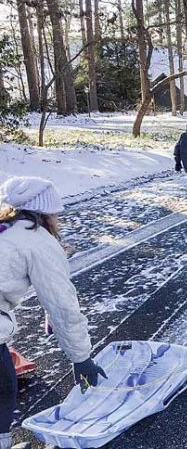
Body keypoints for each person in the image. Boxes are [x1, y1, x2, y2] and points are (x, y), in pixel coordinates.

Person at [0, 176, 106, 449]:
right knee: (3, 391)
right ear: (46, 210)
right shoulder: (36, 239)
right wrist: (81, 357)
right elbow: (62, 303)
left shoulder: (6, 229)